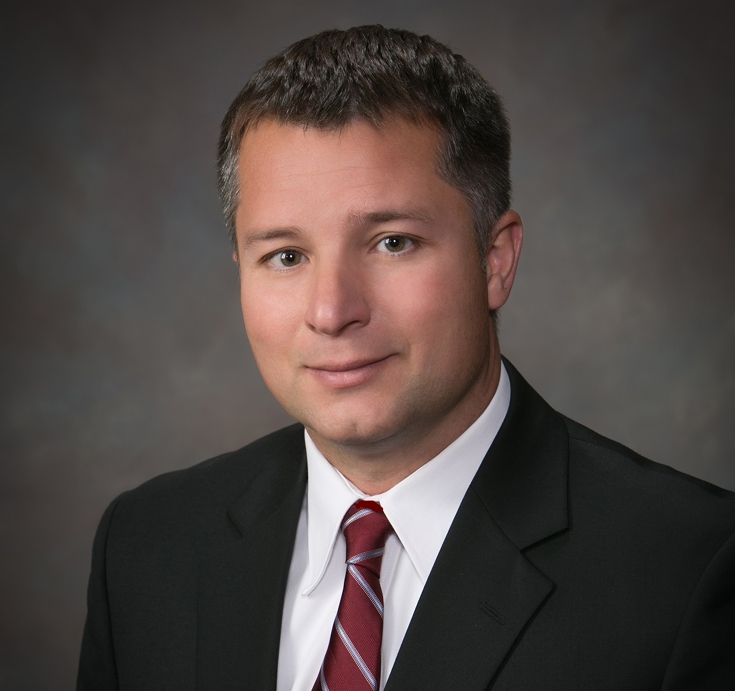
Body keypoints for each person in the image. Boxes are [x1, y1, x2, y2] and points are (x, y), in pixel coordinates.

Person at [77, 25, 735, 691]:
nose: (331, 310)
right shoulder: (147, 545)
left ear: (495, 261)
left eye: (392, 242)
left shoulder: (689, 568)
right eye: (285, 255)